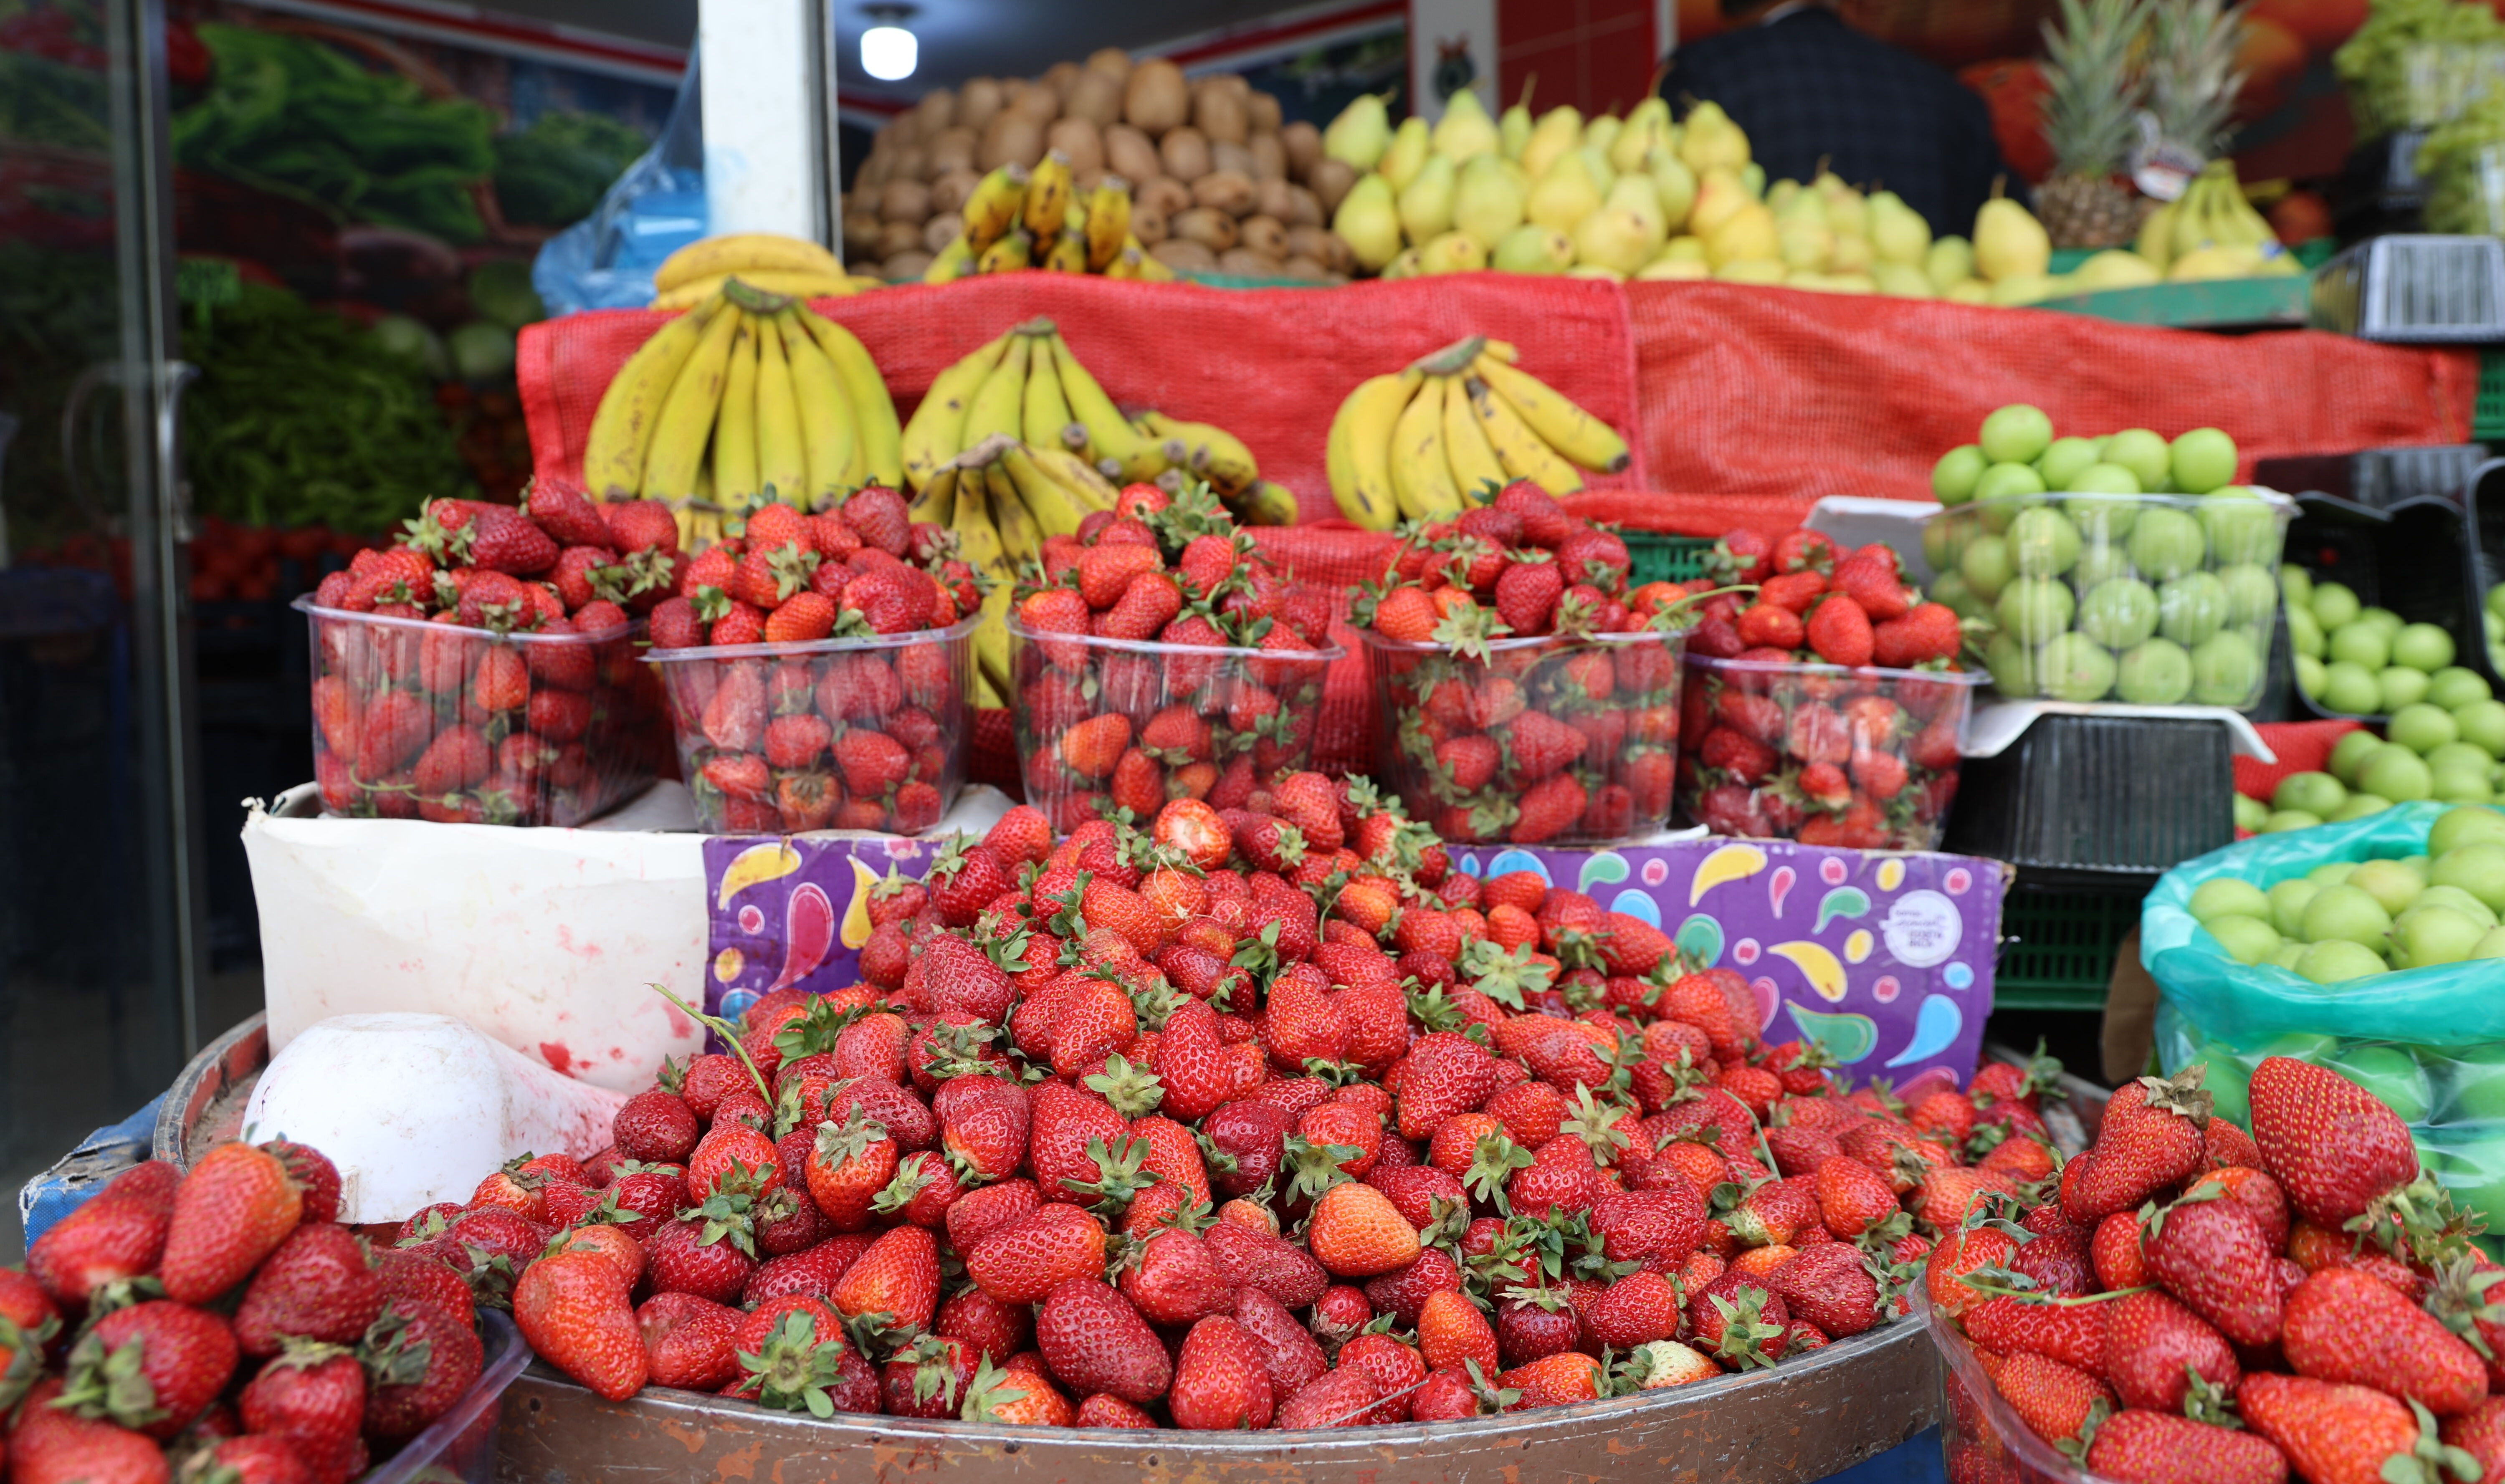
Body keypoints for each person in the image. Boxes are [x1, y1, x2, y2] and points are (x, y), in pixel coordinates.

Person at [1657, 0, 2019, 236]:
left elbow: (1665, 205)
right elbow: (2012, 230)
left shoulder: (1702, 72)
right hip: (1928, 344)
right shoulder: (1949, 98)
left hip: (1762, 342)